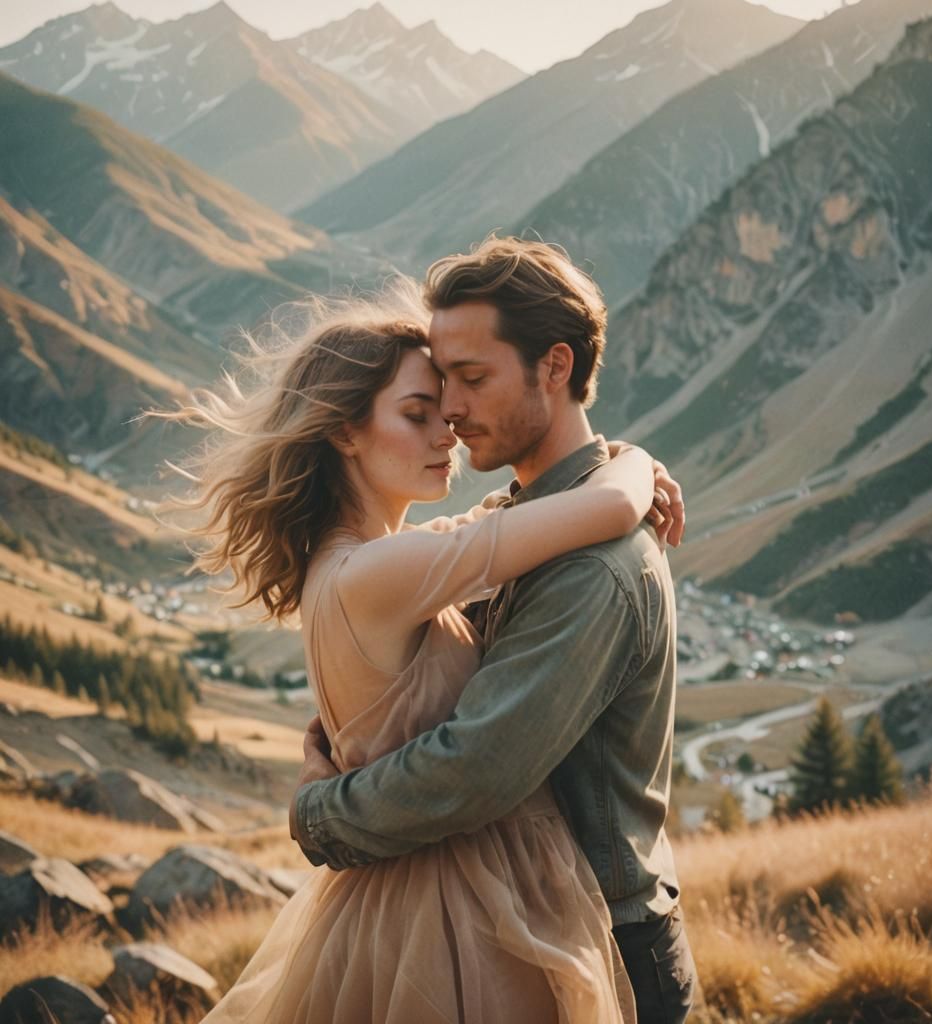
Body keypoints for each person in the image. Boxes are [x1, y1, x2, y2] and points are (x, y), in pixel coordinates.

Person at [160, 281, 678, 1022]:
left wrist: (620, 461)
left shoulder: (368, 561)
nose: (449, 432)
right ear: (344, 431)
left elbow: (496, 519)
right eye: (418, 413)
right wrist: (636, 461)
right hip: (458, 914)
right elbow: (612, 508)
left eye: (453, 401)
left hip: (420, 898)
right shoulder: (377, 574)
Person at [291, 237, 698, 1023]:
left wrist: (320, 814)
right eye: (438, 387)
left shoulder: (593, 569)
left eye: (470, 380)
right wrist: (632, 458)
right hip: (520, 935)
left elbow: (475, 767)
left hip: (605, 947)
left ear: (554, 367)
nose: (450, 409)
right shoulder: (526, 522)